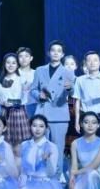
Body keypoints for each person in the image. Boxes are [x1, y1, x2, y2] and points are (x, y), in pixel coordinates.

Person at [18, 115, 77, 189]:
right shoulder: (24, 145)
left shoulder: (51, 147)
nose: (37, 129)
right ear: (30, 127)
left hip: (43, 185)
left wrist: (47, 160)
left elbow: (51, 173)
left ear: (46, 128)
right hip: (26, 183)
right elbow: (22, 168)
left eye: (41, 126)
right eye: (34, 126)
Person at [32, 41, 76, 175]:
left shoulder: (68, 72)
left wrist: (69, 88)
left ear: (62, 54)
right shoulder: (40, 70)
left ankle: (57, 177)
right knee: (40, 147)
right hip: (42, 112)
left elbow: (72, 92)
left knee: (58, 148)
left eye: (59, 51)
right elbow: (33, 89)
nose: (56, 53)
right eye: (53, 50)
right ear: (48, 53)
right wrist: (38, 95)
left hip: (59, 113)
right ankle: (39, 175)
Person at [74, 51, 100, 138]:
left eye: (95, 60)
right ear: (85, 63)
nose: (92, 63)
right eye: (89, 60)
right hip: (87, 116)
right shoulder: (79, 80)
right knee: (87, 143)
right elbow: (77, 101)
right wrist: (77, 121)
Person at [0, 52, 30, 148]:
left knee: (19, 144)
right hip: (4, 112)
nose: (11, 65)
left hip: (18, 112)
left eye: (13, 63)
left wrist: (17, 100)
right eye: (8, 62)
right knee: (5, 143)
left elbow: (26, 99)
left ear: (17, 65)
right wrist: (3, 102)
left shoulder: (22, 79)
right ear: (4, 64)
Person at [16, 47, 37, 118]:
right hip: (18, 107)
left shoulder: (36, 73)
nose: (24, 59)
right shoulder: (14, 74)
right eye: (21, 56)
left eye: (26, 56)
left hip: (34, 106)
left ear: (31, 58)